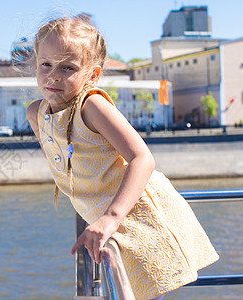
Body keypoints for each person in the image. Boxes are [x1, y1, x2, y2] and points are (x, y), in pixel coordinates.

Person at [26, 17, 219, 300]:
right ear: (36, 65)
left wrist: (111, 217)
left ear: (92, 75)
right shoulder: (37, 114)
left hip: (138, 215)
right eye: (46, 64)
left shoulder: (92, 106)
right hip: (106, 219)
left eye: (68, 67)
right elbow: (68, 164)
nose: (54, 75)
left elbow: (142, 157)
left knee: (142, 291)